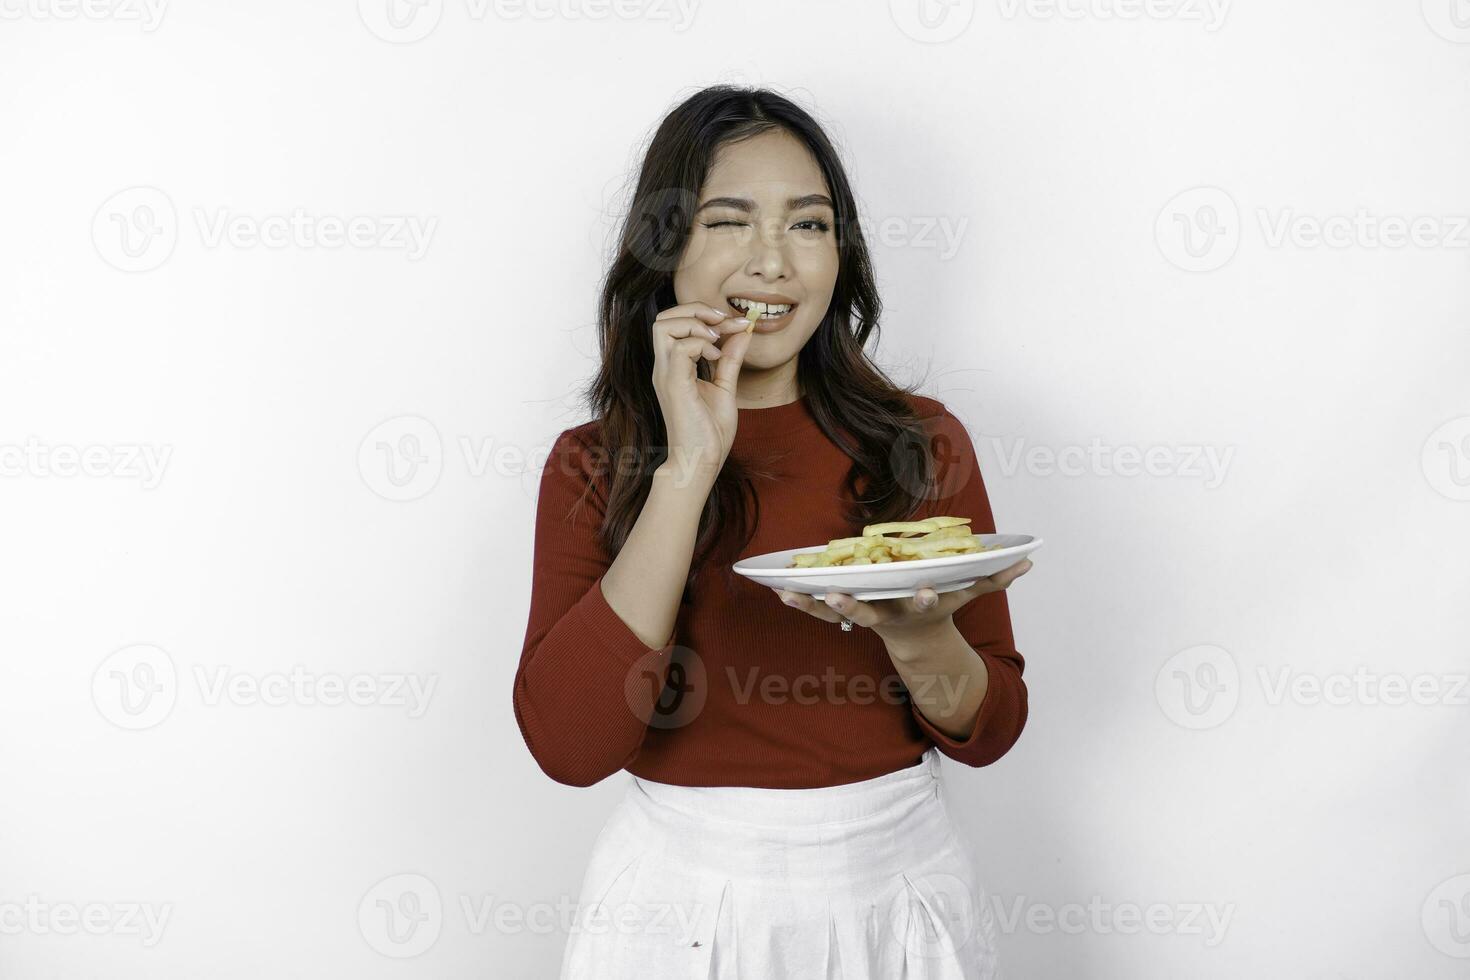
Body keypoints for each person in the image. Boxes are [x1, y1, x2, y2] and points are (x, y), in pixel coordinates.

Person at [513, 84, 1034, 979]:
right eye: (727, 222)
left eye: (808, 225)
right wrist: (688, 467)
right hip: (675, 908)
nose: (774, 264)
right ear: (665, 245)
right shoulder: (592, 463)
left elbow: (990, 730)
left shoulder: (922, 444)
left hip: (899, 894)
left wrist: (919, 637)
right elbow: (569, 747)